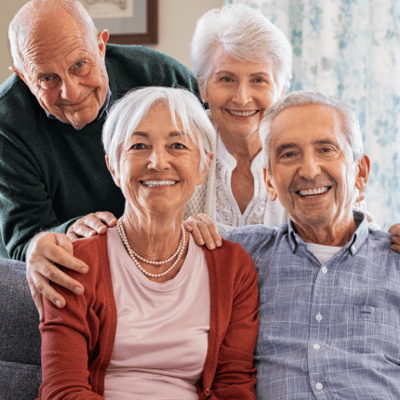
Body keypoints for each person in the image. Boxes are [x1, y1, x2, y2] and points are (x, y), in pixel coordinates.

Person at [38, 86, 259, 399]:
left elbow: (234, 387)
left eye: (177, 145)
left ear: (203, 166)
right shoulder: (75, 265)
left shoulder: (233, 267)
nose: (158, 162)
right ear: (114, 167)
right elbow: (63, 391)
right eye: (139, 146)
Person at [0, 0, 199, 311]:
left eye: (80, 65)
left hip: (173, 260)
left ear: (101, 46)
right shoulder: (6, 122)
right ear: (25, 77)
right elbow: (23, 239)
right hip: (82, 276)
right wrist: (66, 232)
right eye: (48, 79)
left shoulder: (162, 75)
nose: (71, 92)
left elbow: (218, 160)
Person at [224, 91, 400, 399]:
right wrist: (108, 221)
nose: (309, 170)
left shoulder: (395, 260)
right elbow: (158, 245)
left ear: (360, 174)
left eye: (326, 149)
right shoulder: (240, 254)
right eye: (289, 154)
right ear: (269, 182)